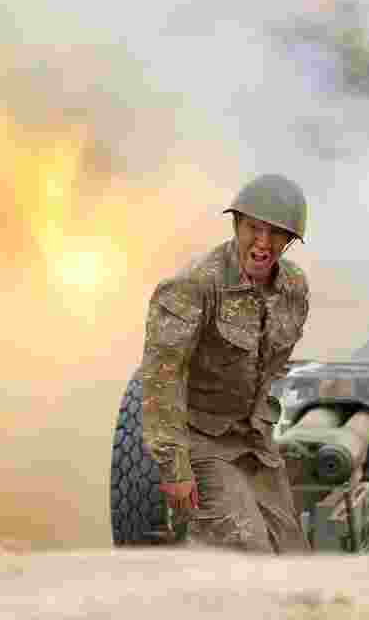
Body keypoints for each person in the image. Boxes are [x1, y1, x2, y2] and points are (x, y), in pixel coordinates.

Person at [136, 174, 311, 553]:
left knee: (296, 558)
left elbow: (273, 366)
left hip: (256, 446)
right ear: (237, 224)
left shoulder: (293, 289)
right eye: (254, 228)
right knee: (248, 553)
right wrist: (175, 469)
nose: (263, 243)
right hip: (201, 442)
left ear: (289, 240)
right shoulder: (194, 286)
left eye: (276, 233)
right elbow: (161, 380)